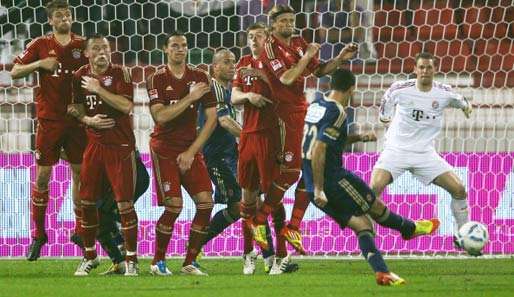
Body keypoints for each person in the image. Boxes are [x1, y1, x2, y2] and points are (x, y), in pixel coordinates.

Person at [303, 68, 440, 286]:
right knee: (374, 208)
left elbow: (325, 140)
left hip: (310, 183)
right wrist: (321, 187)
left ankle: (382, 273)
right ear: (351, 89)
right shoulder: (337, 112)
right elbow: (319, 149)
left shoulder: (316, 105)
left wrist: (358, 137)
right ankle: (409, 229)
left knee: (362, 225)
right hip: (332, 180)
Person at [246, 4, 358, 258]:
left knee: (308, 168)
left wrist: (340, 58)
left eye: (291, 20)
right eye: (283, 21)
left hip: (300, 111)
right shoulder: (270, 48)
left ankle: (293, 226)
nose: (289, 25)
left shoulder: (297, 41)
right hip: (281, 115)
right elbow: (286, 78)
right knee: (292, 171)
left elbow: (318, 71)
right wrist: (306, 56)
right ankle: (259, 220)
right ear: (273, 25)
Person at [10, 0, 88, 261]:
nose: (64, 18)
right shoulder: (40, 45)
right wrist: (39, 65)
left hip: (77, 121)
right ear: (51, 21)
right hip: (50, 121)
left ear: (72, 18)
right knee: (43, 176)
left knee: (80, 174)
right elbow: (15, 71)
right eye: (59, 15)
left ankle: (79, 230)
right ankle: (39, 235)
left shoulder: (83, 45)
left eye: (67, 14)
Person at [371, 52, 473, 250]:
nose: (425, 71)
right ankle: (368, 237)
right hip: (396, 151)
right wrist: (386, 122)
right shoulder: (400, 89)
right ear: (415, 70)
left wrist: (467, 108)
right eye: (422, 67)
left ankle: (463, 236)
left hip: (425, 154)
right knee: (372, 190)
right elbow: (385, 108)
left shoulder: (443, 92)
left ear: (435, 70)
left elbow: (461, 100)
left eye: (429, 67)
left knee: (459, 190)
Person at [146, 31, 216, 276]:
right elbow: (161, 116)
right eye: (175, 46)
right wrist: (190, 98)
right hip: (164, 149)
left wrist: (192, 151)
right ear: (165, 49)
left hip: (189, 149)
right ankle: (158, 261)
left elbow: (212, 119)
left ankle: (189, 262)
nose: (180, 49)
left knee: (206, 203)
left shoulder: (200, 76)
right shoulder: (156, 78)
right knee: (174, 206)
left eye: (184, 45)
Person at [68, 34, 139, 276]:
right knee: (86, 202)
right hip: (94, 147)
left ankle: (131, 260)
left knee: (124, 204)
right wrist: (87, 119)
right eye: (96, 49)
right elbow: (74, 107)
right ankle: (89, 256)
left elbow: (126, 106)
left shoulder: (121, 74)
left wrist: (98, 89)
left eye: (105, 48)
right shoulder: (79, 76)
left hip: (120, 147)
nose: (102, 53)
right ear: (87, 53)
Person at [232, 22, 297, 275]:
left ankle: (281, 254)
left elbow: (286, 97)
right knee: (247, 199)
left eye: (258, 36)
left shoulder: (277, 63)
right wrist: (249, 96)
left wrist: (264, 80)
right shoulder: (244, 63)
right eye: (250, 36)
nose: (253, 40)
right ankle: (249, 254)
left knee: (273, 198)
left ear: (268, 39)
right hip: (247, 136)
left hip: (270, 137)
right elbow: (234, 96)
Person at [67, 149, 149, 275]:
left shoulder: (100, 134)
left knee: (100, 215)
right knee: (100, 215)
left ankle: (128, 260)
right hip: (112, 171)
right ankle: (121, 261)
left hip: (128, 170)